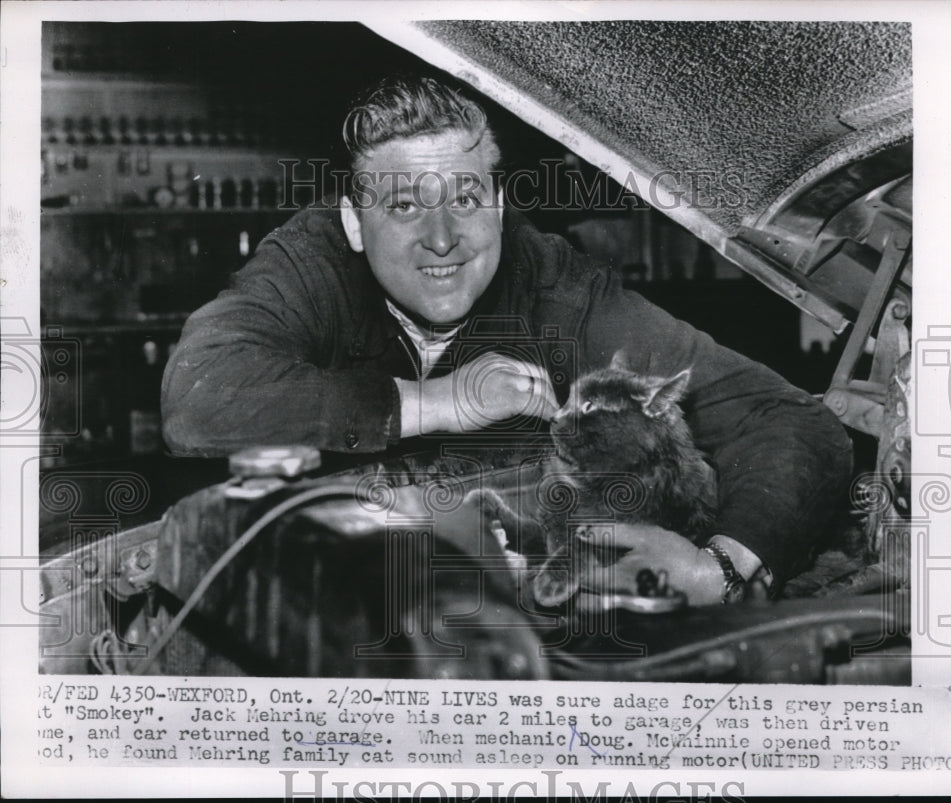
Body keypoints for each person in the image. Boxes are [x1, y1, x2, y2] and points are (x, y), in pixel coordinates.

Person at [161, 74, 853, 605]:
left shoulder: (558, 289)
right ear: (351, 220)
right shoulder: (311, 265)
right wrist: (438, 400)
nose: (440, 237)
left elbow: (787, 419)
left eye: (464, 199)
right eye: (403, 205)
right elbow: (200, 397)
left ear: (496, 204)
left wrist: (720, 569)